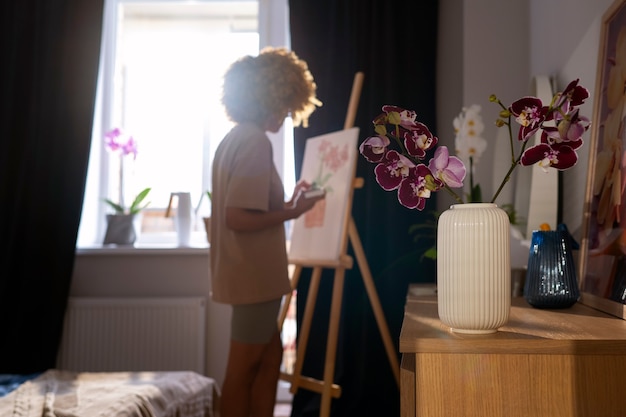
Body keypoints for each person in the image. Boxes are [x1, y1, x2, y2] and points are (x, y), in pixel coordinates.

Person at [210, 47, 323, 417]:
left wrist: (288, 203)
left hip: (248, 276)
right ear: (271, 100)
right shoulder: (255, 141)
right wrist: (295, 211)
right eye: (286, 108)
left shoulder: (235, 138)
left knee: (270, 358)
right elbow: (237, 217)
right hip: (253, 278)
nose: (288, 116)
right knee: (241, 371)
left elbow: (249, 207)